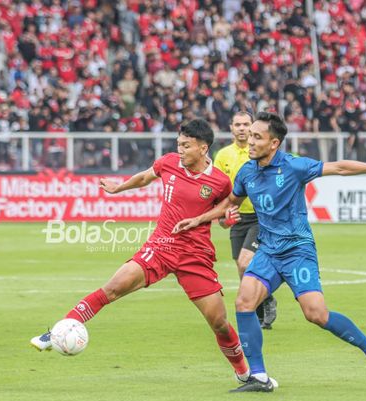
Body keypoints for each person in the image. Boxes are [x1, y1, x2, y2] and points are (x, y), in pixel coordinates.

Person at [174, 112, 366, 392]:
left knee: (316, 314)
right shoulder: (247, 171)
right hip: (269, 250)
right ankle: (258, 376)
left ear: (273, 144)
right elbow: (230, 202)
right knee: (244, 302)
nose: (250, 141)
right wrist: (200, 220)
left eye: (257, 137)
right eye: (250, 135)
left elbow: (340, 168)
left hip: (297, 250)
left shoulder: (294, 166)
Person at [30, 119, 251, 384]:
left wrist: (229, 220)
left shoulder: (219, 182)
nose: (180, 150)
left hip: (195, 255)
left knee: (219, 322)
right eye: (178, 144)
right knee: (112, 287)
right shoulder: (169, 162)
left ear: (203, 148)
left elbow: (224, 217)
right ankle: (56, 332)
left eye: (186, 145)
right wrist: (118, 188)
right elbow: (146, 177)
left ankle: (244, 373)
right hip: (161, 247)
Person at [214, 111, 278, 329]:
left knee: (245, 262)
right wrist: (222, 215)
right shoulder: (223, 156)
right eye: (238, 124)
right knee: (243, 270)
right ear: (231, 128)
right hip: (237, 216)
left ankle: (264, 302)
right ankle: (261, 306)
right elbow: (220, 190)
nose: (242, 128)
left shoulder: (259, 151)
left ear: (252, 128)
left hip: (260, 217)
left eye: (246, 124)